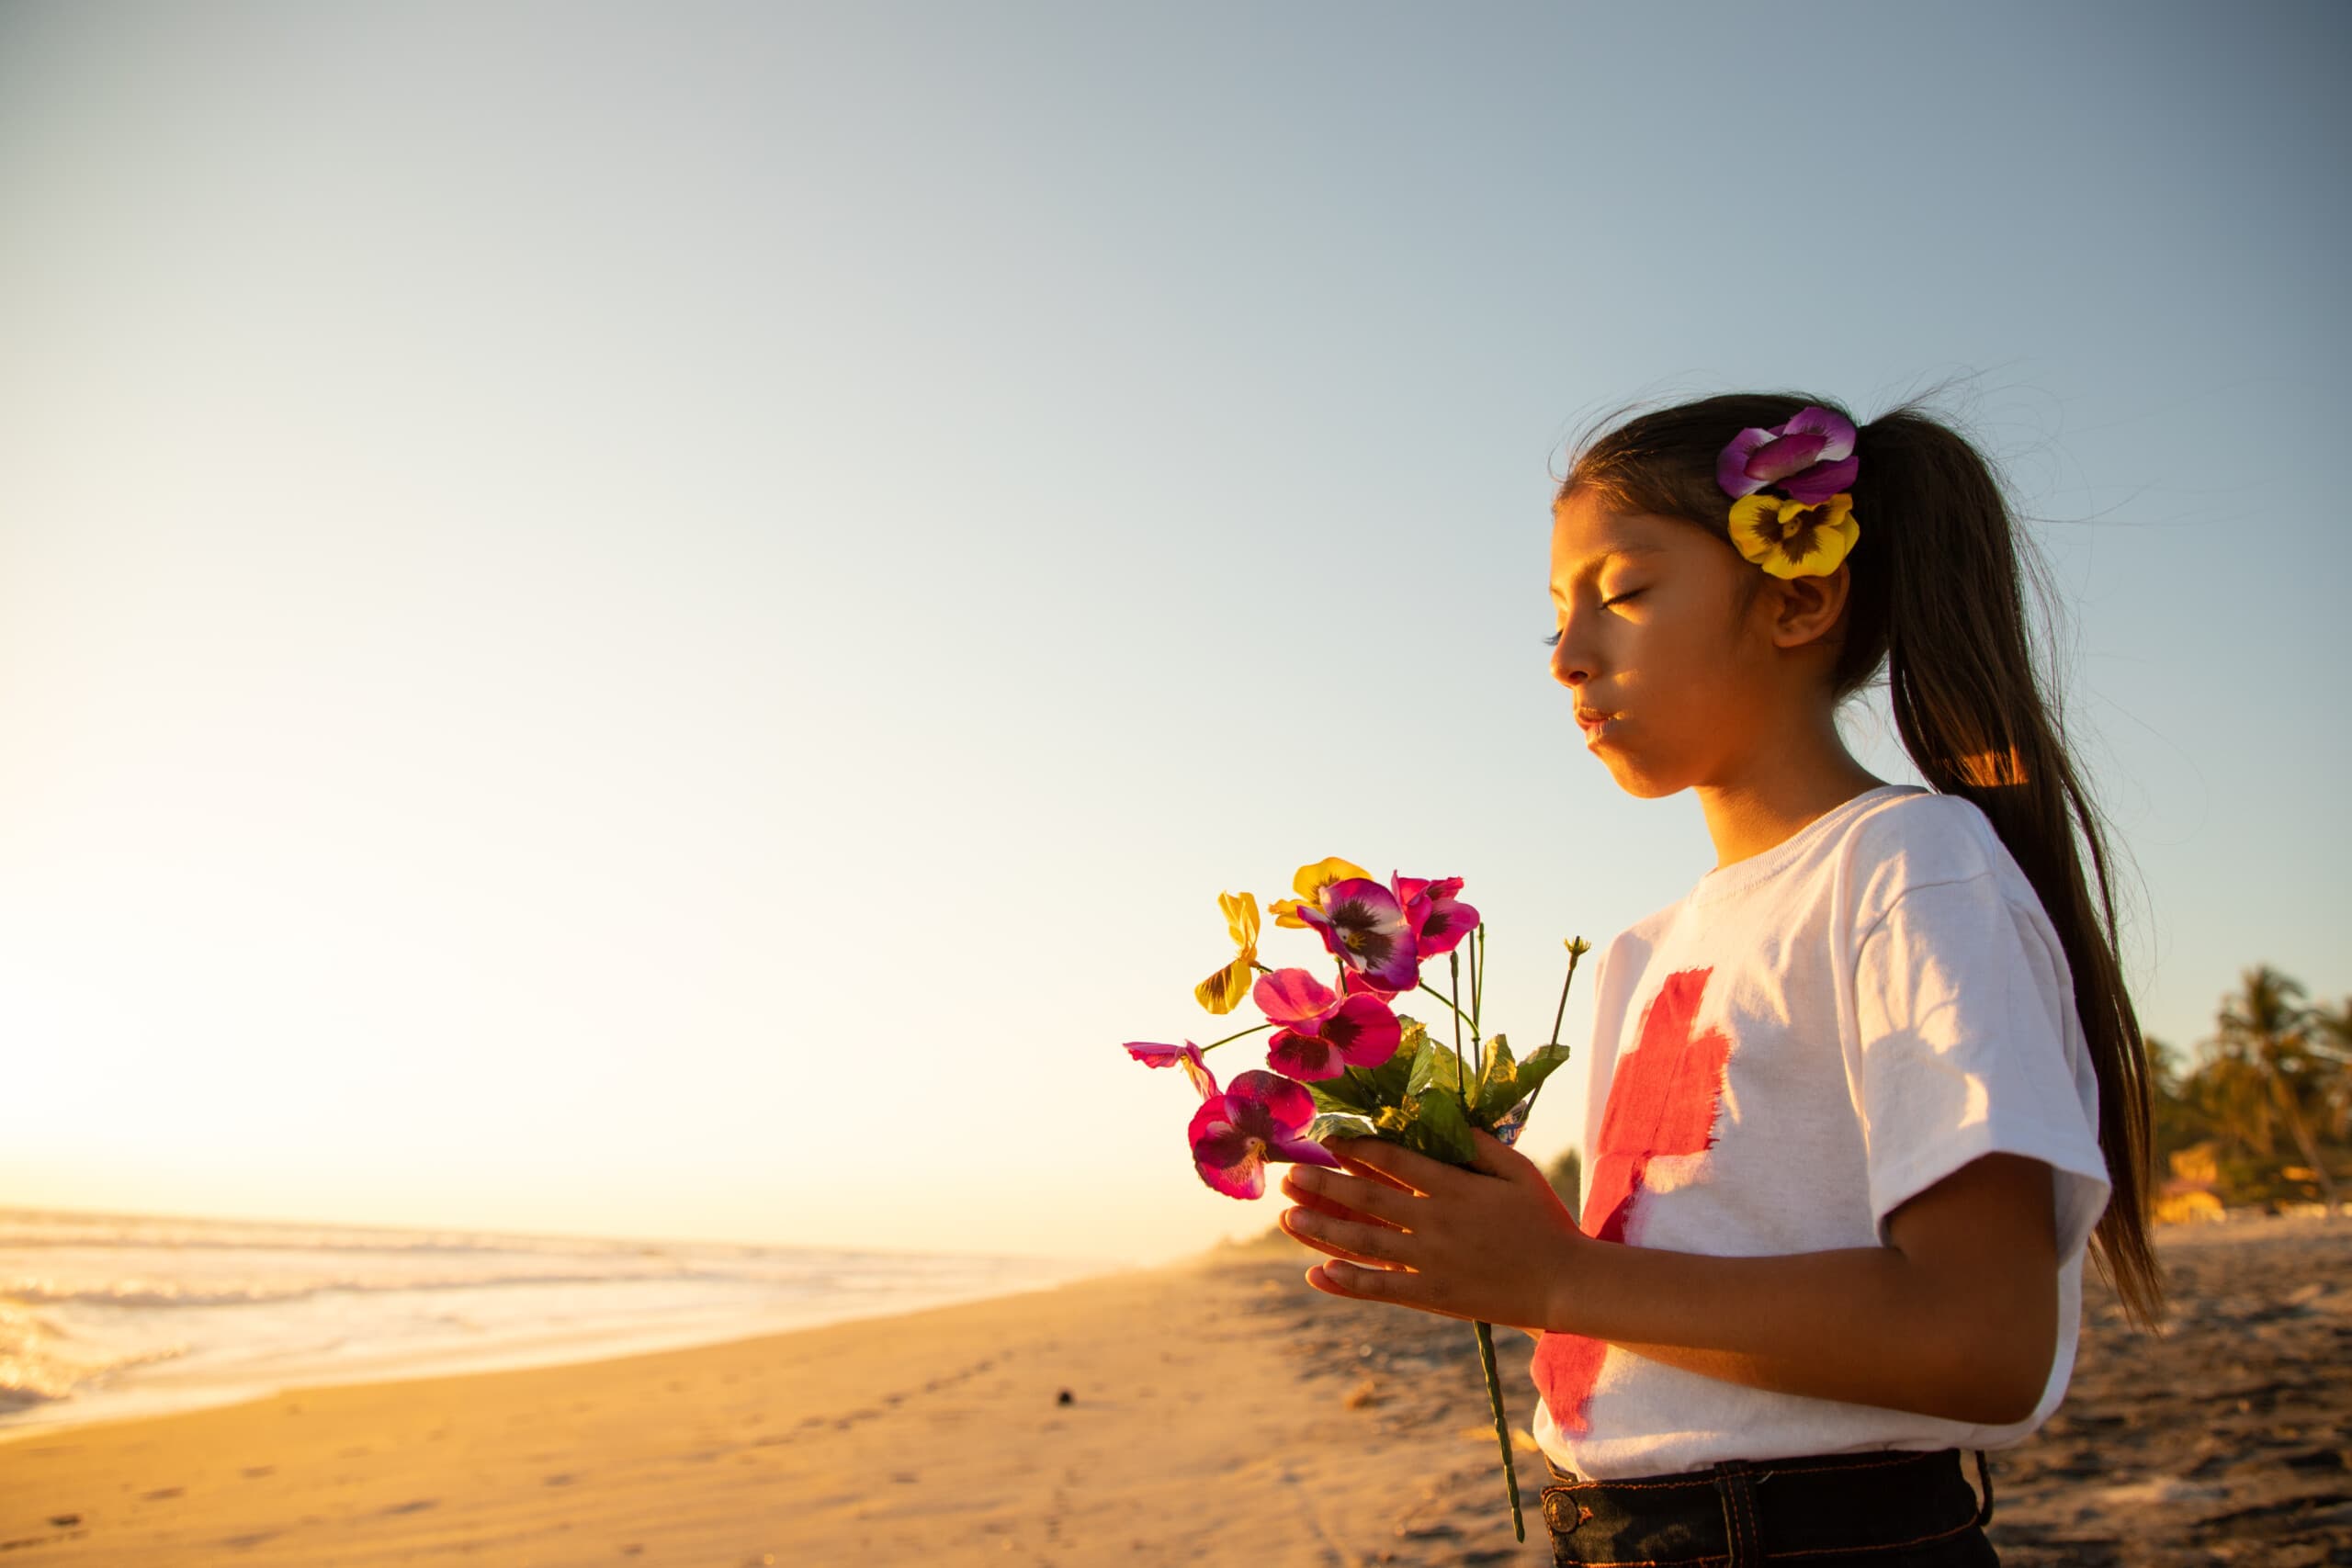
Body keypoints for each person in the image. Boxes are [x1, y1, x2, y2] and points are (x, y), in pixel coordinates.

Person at [1274, 391, 2163, 1566]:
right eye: (1552, 617)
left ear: (1798, 593)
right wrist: (1487, 1239)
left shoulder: (1906, 870)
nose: (1567, 657)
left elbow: (1980, 1339)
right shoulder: (1643, 950)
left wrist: (1554, 1275)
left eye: (1626, 594)